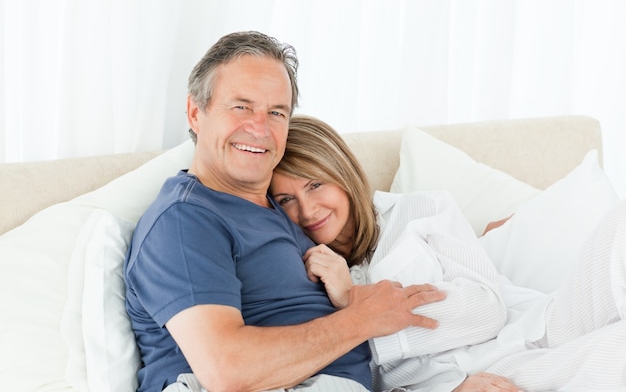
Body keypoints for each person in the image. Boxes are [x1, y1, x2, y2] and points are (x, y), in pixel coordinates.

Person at [123, 31, 447, 392]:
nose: (259, 128)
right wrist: (362, 318)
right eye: (241, 106)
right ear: (196, 114)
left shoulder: (285, 211)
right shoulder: (185, 221)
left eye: (276, 112)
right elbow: (229, 371)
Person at [270, 115, 626, 392]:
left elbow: (487, 308)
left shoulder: (423, 210)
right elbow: (372, 377)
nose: (307, 209)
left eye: (315, 185)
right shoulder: (303, 276)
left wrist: (357, 303)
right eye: (286, 200)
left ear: (342, 174)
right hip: (488, 373)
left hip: (546, 322)